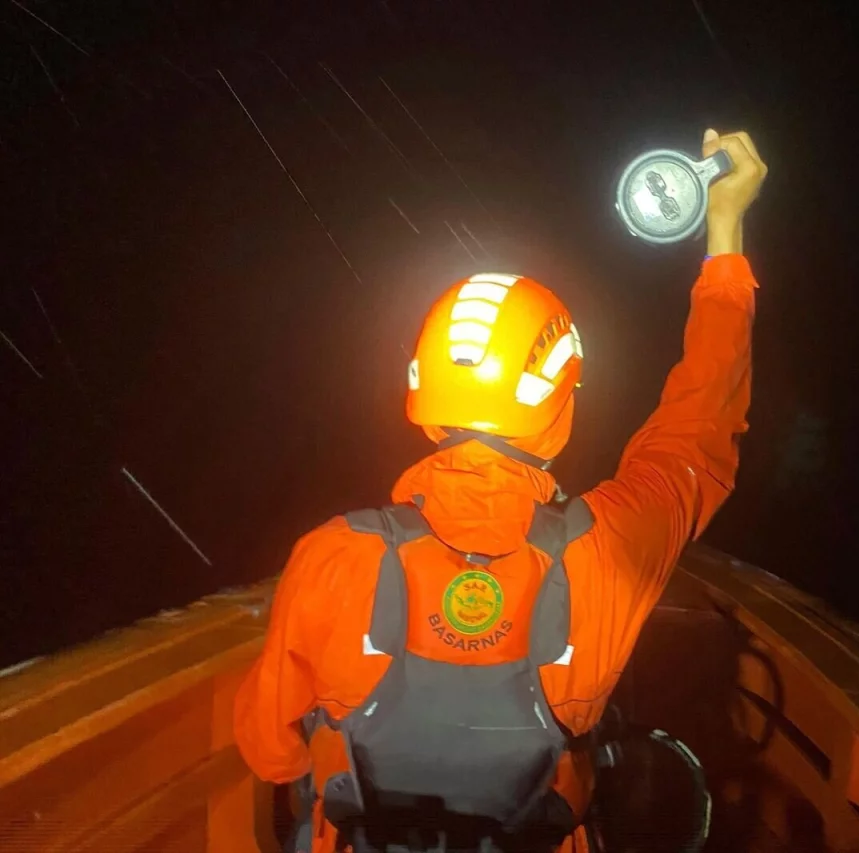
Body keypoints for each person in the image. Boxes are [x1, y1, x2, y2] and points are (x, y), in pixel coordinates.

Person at [233, 128, 768, 853]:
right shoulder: (602, 553)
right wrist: (725, 234)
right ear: (560, 394)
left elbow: (271, 751)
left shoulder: (331, 555)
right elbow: (698, 429)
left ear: (421, 387)